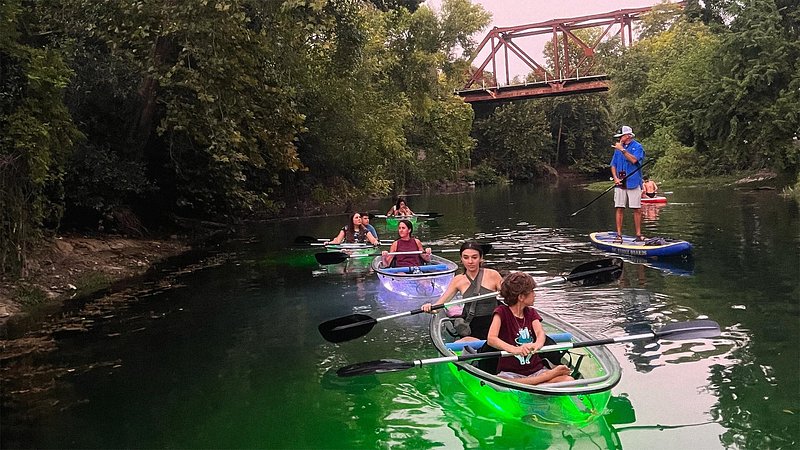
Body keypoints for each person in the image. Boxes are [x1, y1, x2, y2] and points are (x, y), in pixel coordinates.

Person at [486, 272, 574, 385]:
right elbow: (491, 339)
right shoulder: (501, 312)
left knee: (568, 381)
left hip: (536, 370)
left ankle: (536, 381)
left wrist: (537, 345)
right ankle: (546, 377)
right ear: (521, 297)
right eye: (532, 291)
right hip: (510, 373)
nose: (535, 295)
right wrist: (515, 349)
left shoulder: (531, 313)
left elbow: (540, 333)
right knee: (503, 383)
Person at [421, 241, 503, 342]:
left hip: (496, 324)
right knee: (462, 343)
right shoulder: (458, 280)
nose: (470, 261)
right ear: (461, 259)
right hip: (472, 326)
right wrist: (429, 308)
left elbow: (508, 296)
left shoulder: (493, 275)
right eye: (466, 257)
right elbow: (438, 307)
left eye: (474, 257)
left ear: (481, 258)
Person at [610, 125, 645, 243]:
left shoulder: (637, 147)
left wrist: (623, 150)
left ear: (628, 136)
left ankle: (638, 234)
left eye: (621, 136)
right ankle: (619, 235)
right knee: (619, 207)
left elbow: (635, 160)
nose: (620, 138)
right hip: (620, 182)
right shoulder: (617, 148)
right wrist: (615, 178)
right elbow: (613, 165)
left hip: (634, 181)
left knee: (636, 208)